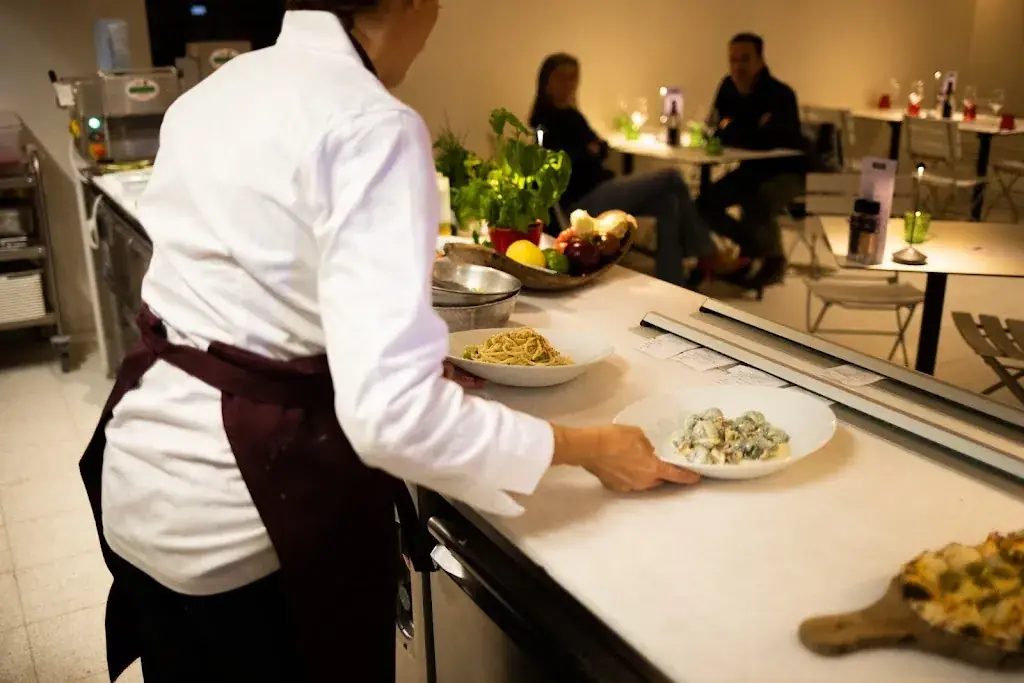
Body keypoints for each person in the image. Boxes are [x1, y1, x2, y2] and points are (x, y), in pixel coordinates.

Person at [78, 4, 700, 682]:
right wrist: (593, 448)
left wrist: (386, 353)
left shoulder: (212, 95)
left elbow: (253, 297)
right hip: (244, 520)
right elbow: (392, 421)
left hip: (139, 481)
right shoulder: (373, 125)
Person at [529, 53, 743, 288]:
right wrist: (589, 151)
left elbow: (601, 148)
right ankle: (708, 253)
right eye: (563, 77)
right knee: (671, 177)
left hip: (600, 186)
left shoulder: (573, 114)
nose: (570, 83)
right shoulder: (544, 120)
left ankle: (672, 282)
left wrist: (591, 150)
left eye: (574, 77)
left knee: (669, 202)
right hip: (581, 201)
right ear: (547, 81)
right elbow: (567, 160)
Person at [697, 33, 806, 291]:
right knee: (704, 203)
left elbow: (768, 140)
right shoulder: (727, 86)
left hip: (789, 173)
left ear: (760, 60)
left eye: (744, 59)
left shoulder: (781, 94)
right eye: (732, 60)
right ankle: (756, 248)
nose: (738, 66)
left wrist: (733, 129)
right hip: (751, 170)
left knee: (759, 199)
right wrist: (743, 130)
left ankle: (769, 261)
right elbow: (713, 127)